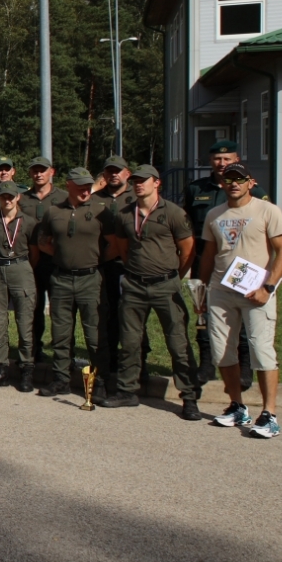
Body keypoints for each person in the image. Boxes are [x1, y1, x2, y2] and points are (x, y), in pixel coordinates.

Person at [198, 162, 282, 438]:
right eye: (228, 178)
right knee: (221, 350)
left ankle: (269, 414)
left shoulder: (267, 211)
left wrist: (268, 287)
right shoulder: (214, 214)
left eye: (239, 178)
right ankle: (237, 406)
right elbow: (208, 255)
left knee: (261, 350)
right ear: (222, 183)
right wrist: (201, 292)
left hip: (256, 292)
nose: (233, 183)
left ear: (250, 182)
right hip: (220, 291)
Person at [104, 165, 198, 413]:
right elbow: (123, 249)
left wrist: (175, 276)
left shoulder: (174, 213)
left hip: (166, 284)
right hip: (134, 285)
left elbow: (188, 250)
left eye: (143, 180)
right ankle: (127, 391)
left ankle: (189, 396)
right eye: (135, 180)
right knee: (130, 342)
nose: (138, 184)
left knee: (178, 342)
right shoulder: (125, 214)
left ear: (157, 183)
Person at [34, 168, 112, 397]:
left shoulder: (100, 211)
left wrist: (93, 260)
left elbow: (115, 244)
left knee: (95, 334)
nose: (86, 190)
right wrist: (62, 256)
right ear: (68, 185)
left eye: (88, 185)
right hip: (62, 279)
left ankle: (98, 382)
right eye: (80, 186)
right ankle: (61, 379)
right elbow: (42, 241)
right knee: (61, 332)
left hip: (90, 279)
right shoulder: (53, 212)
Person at [184, 139, 253, 389]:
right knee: (202, 314)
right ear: (210, 161)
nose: (221, 163)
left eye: (227, 159)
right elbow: (188, 229)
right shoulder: (195, 189)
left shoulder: (249, 187)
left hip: (240, 264)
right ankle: (206, 365)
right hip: (204, 262)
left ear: (236, 160)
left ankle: (245, 367)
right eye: (217, 159)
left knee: (243, 316)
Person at [0, 181, 38, 391]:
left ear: (17, 197)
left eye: (11, 196)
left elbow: (35, 253)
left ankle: (26, 370)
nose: (7, 200)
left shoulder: (29, 222)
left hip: (21, 269)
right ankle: (1, 369)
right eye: (3, 196)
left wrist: (20, 267)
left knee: (24, 324)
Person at [19, 156, 68, 371]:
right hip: (32, 262)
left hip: (56, 261)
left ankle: (65, 355)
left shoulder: (64, 198)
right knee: (33, 309)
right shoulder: (23, 199)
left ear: (52, 172)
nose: (38, 174)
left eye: (42, 170)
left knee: (61, 311)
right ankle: (34, 350)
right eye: (35, 170)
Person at [93, 155, 134, 379]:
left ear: (127, 173)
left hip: (129, 266)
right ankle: (108, 361)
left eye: (118, 170)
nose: (114, 174)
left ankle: (136, 363)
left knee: (130, 315)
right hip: (103, 266)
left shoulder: (136, 196)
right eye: (109, 171)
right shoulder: (95, 198)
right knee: (106, 314)